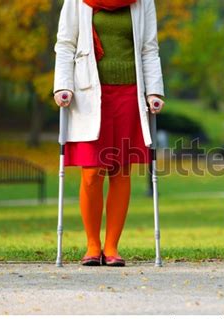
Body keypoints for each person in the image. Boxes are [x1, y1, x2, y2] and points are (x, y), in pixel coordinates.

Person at [53, 0, 165, 267]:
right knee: (92, 172)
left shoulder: (142, 2)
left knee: (120, 170)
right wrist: (62, 86)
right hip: (89, 92)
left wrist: (154, 91)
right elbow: (65, 44)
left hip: (128, 94)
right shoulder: (77, 1)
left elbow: (149, 49)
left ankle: (112, 246)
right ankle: (92, 245)